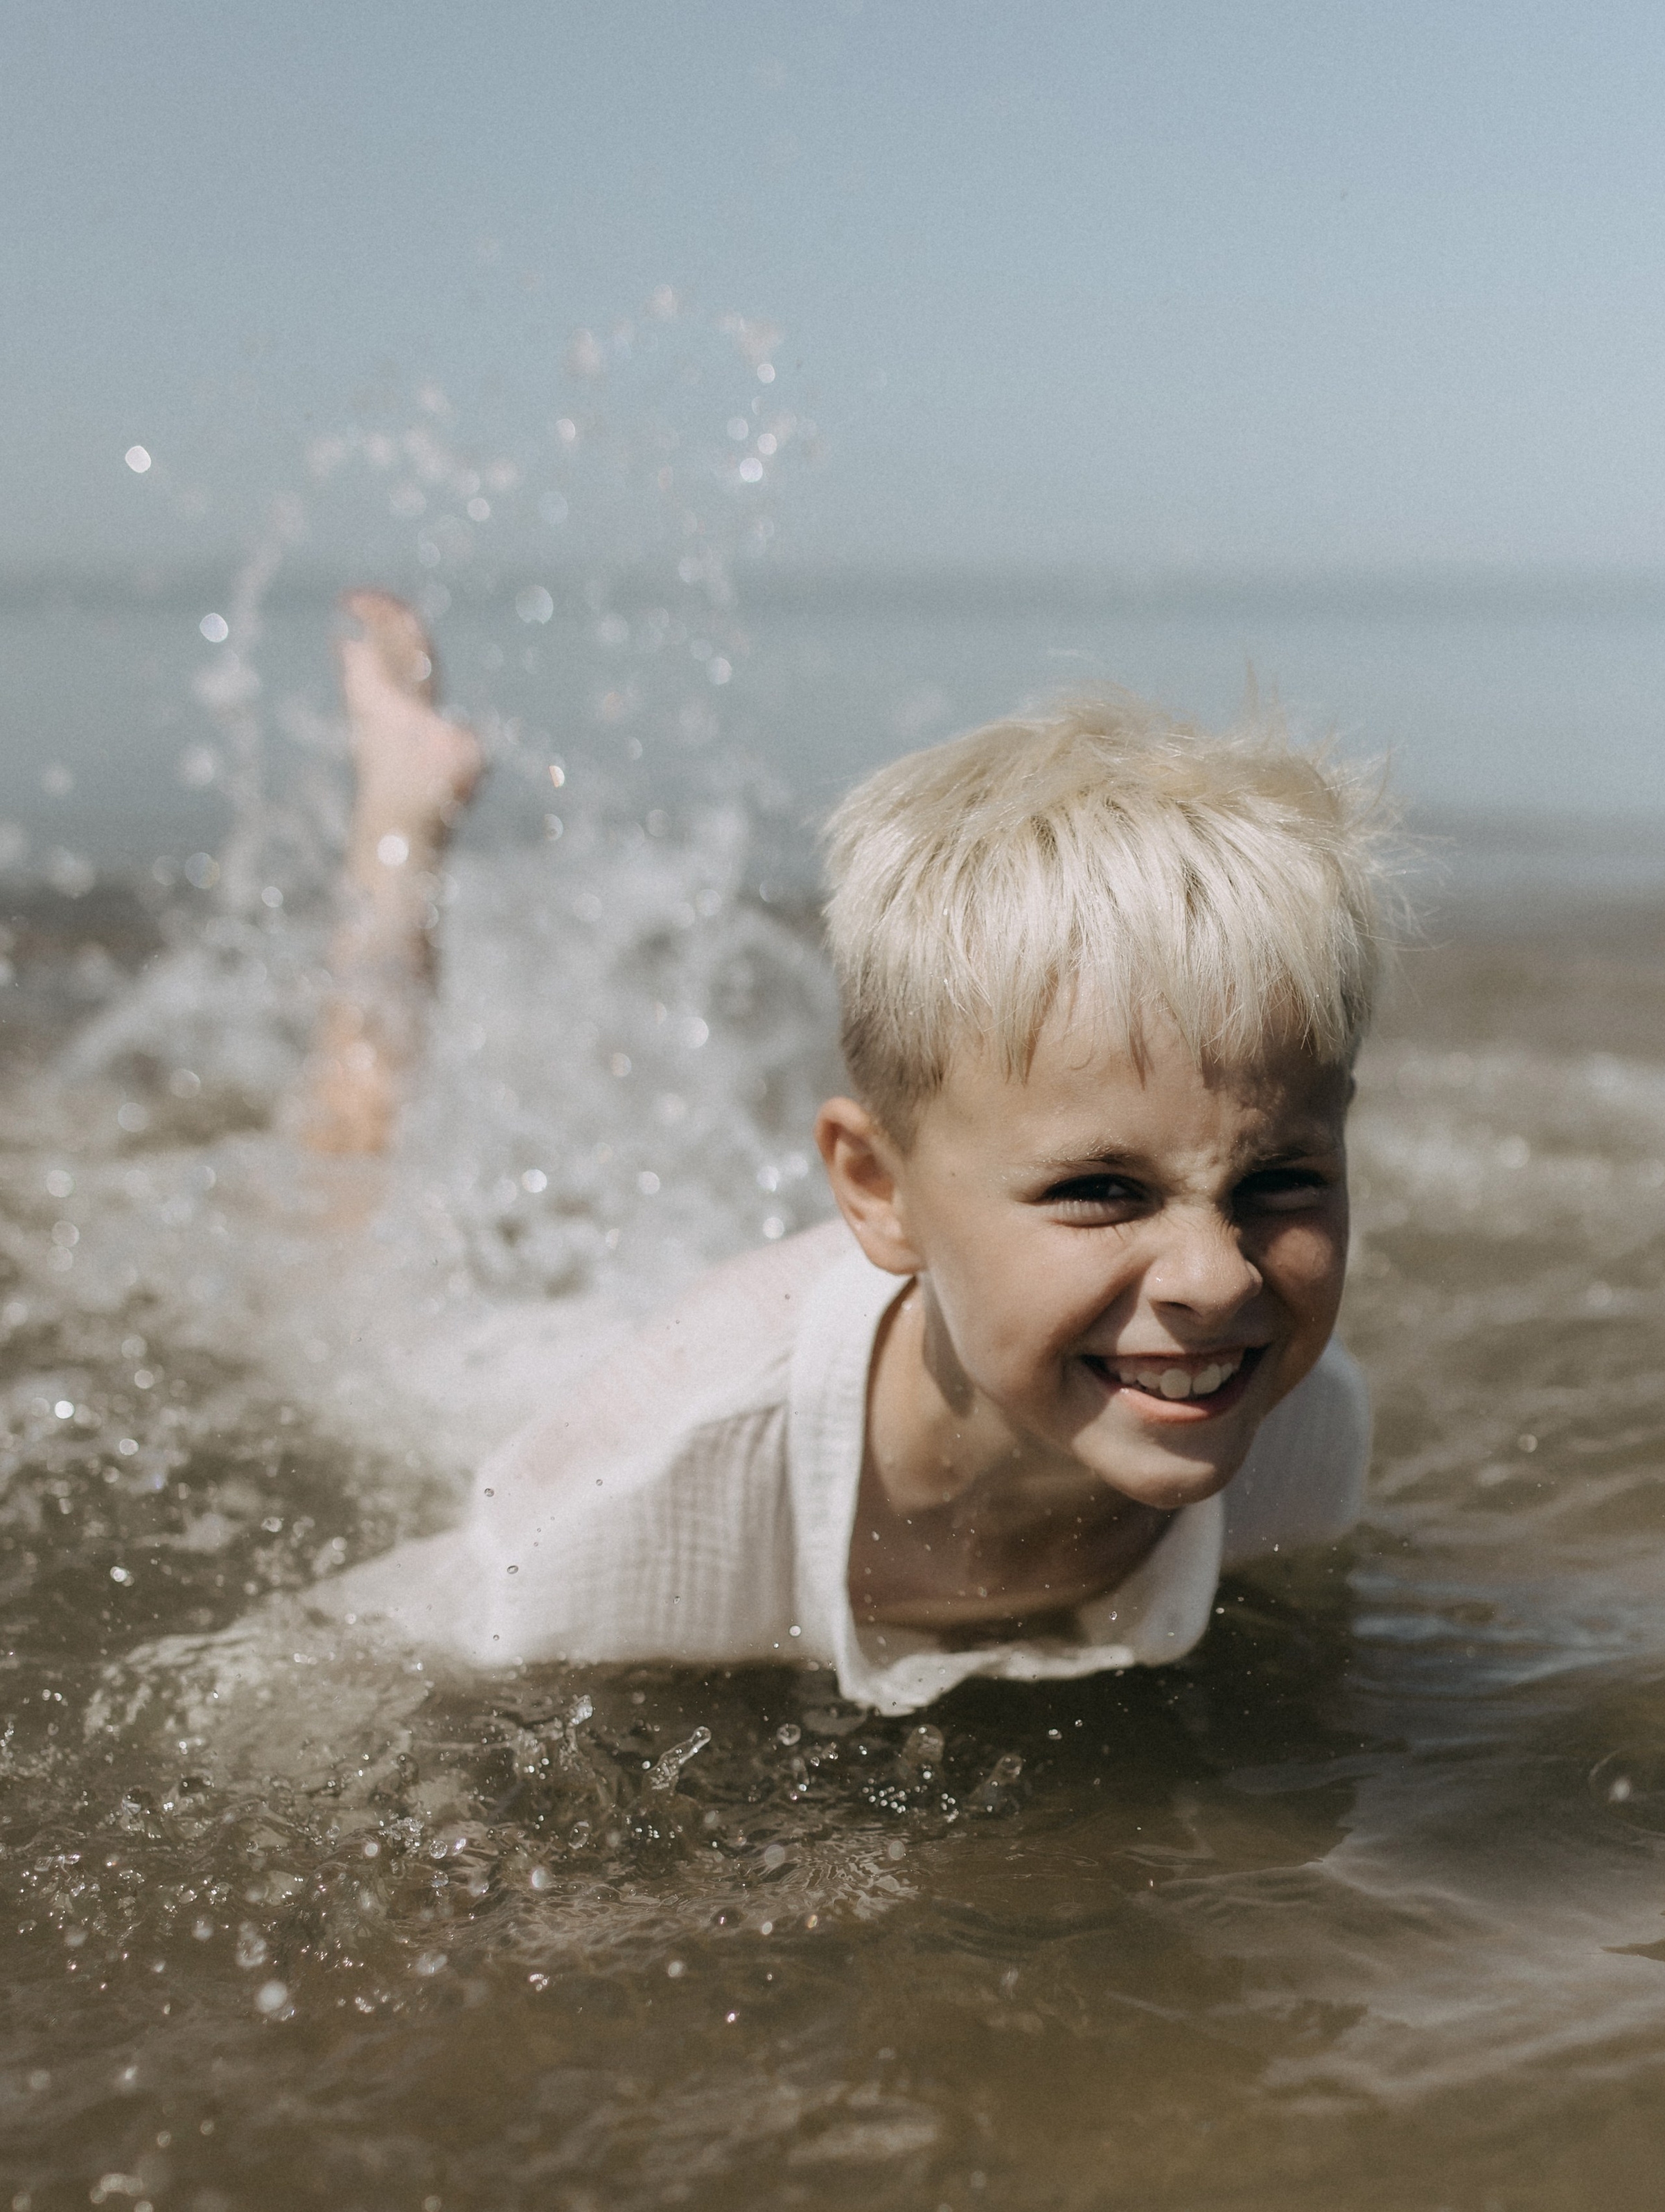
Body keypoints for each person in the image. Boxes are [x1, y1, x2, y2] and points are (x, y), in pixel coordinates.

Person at [311, 595, 1383, 1715]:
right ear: (876, 1189)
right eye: (1102, 1191)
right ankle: (401, 820)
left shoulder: (1295, 1432)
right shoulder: (621, 1517)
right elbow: (320, 1669)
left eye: (1279, 1181)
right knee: (350, 1240)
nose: (1220, 1279)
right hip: (560, 1374)